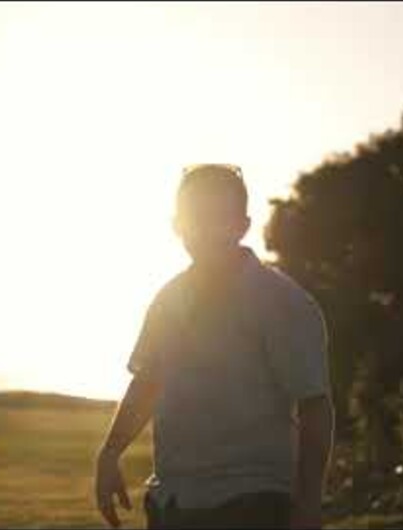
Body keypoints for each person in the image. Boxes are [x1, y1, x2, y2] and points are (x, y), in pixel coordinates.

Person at [94, 164, 334, 529]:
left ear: (243, 225)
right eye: (196, 217)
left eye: (220, 217)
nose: (206, 229)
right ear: (177, 225)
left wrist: (309, 503)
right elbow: (148, 381)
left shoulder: (281, 302)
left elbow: (314, 404)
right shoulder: (167, 299)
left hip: (252, 503)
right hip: (172, 503)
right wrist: (110, 454)